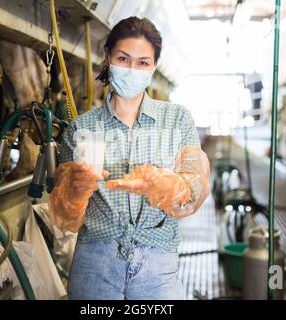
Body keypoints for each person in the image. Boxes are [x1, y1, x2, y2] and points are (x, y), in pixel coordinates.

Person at [48, 16, 210, 300]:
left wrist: (168, 186)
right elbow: (64, 218)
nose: (132, 69)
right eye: (123, 58)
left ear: (154, 66)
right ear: (108, 57)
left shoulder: (177, 120)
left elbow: (196, 187)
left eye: (143, 62)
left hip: (158, 266)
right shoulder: (82, 128)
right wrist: (74, 193)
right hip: (95, 262)